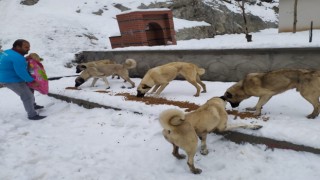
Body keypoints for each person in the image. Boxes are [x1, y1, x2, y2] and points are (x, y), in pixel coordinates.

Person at [0, 39, 46, 120]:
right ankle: (32, 115)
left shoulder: (8, 52)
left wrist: (25, 59)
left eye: (29, 47)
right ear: (18, 47)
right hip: (12, 80)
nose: (28, 49)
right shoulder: (17, 57)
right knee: (27, 96)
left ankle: (32, 105)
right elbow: (21, 72)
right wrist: (32, 81)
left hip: (6, 76)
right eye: (26, 47)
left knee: (30, 89)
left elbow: (12, 61)